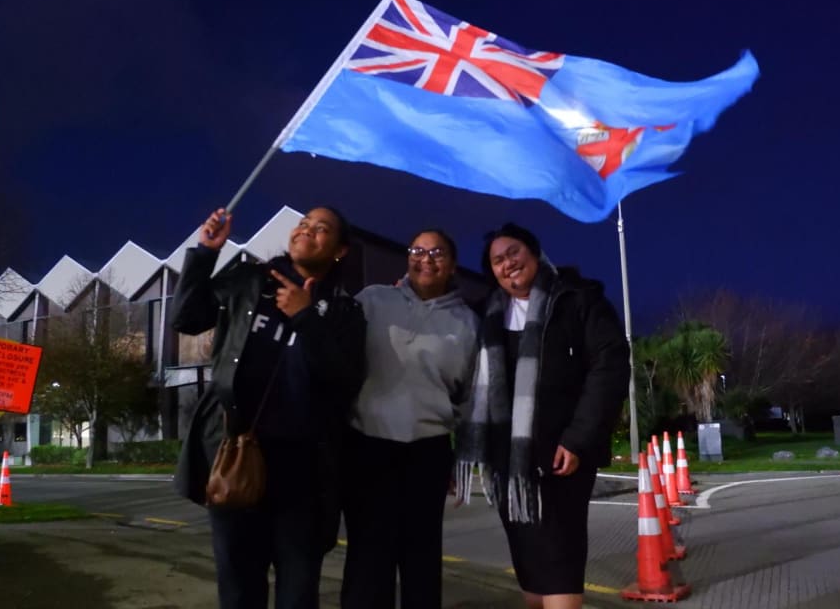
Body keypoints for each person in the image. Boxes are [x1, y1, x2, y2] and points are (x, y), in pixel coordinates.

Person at [171, 206, 367, 609]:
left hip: (303, 472)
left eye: (321, 229)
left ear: (340, 251)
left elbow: (346, 381)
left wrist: (305, 316)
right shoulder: (249, 279)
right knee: (239, 586)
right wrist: (205, 253)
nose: (306, 231)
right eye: (303, 223)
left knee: (297, 591)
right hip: (235, 454)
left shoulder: (346, 311)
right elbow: (186, 319)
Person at [455, 223, 629, 609]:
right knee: (531, 573)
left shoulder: (577, 299)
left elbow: (610, 367)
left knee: (560, 564)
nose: (507, 263)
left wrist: (578, 438)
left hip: (560, 458)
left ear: (534, 252)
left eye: (513, 252)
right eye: (497, 260)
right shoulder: (487, 313)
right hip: (508, 466)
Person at [340, 229, 479, 609]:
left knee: (421, 559)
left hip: (426, 453)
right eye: (418, 250)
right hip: (367, 447)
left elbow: (468, 394)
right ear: (407, 257)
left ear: (451, 265)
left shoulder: (467, 322)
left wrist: (459, 455)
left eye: (437, 252)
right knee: (368, 558)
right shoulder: (372, 299)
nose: (426, 258)